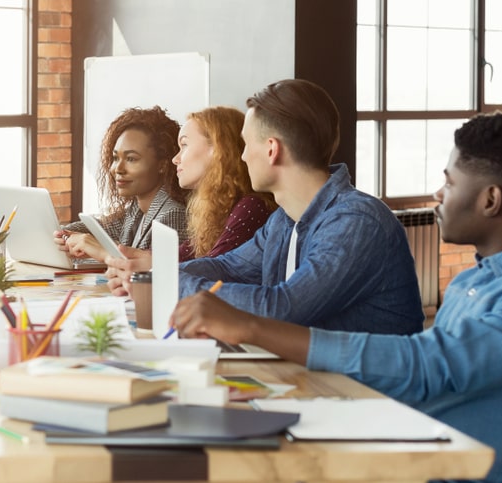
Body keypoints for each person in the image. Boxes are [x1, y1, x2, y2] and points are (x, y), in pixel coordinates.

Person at [171, 110, 502, 483]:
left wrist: (251, 326)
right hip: (400, 445)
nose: (437, 193)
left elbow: (426, 364)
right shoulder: (477, 279)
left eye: (449, 184)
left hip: (439, 471)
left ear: (490, 200)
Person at [179, 79, 423, 334]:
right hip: (307, 372)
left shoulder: (357, 221)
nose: (242, 156)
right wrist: (159, 276)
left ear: (272, 149)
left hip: (358, 375)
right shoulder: (284, 219)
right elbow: (228, 267)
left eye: (247, 144)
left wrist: (177, 285)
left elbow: (283, 309)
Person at [103, 107, 277, 296]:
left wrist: (147, 271)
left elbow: (214, 270)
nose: (175, 159)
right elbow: (184, 255)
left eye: (184, 145)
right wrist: (134, 262)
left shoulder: (251, 207)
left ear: (218, 150)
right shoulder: (212, 209)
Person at [54, 105, 188, 263]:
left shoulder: (172, 215)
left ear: (163, 165)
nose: (117, 168)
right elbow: (101, 228)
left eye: (131, 159)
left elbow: (159, 276)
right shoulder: (138, 208)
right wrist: (60, 234)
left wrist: (100, 250)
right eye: (116, 158)